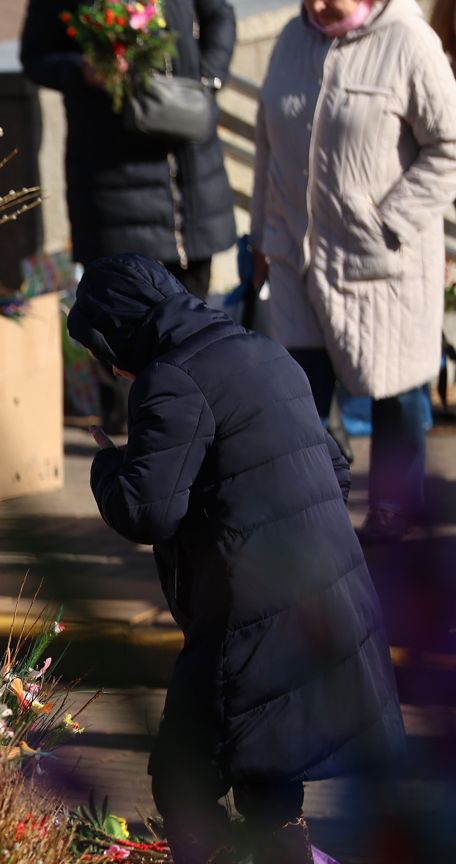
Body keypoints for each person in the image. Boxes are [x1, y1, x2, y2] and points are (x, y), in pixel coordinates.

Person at [70, 253, 403, 864]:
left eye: (105, 352)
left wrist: (107, 463)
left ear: (121, 333)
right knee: (267, 772)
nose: (113, 370)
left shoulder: (171, 379)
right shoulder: (263, 351)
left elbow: (147, 508)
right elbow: (334, 469)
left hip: (250, 615)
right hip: (324, 593)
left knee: (182, 776)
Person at [250, 0, 456, 542]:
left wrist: (387, 223)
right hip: (298, 256)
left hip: (385, 262)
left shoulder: (409, 41)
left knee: (398, 397)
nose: (316, 5)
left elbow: (448, 148)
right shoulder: (293, 39)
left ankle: (394, 518)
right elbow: (267, 146)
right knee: (296, 398)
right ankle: (311, 519)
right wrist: (261, 239)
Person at [20, 0, 237, 430]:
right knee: (122, 317)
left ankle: (195, 425)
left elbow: (219, 15)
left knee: (194, 315)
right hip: (110, 174)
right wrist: (84, 70)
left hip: (187, 171)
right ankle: (138, 435)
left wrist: (205, 81)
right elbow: (36, 57)